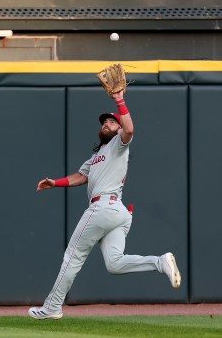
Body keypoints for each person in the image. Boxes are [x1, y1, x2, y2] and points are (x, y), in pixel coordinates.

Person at [29, 90, 182, 320]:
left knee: (73, 256)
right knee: (115, 263)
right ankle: (159, 262)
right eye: (105, 122)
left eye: (112, 122)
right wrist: (56, 183)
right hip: (117, 213)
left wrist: (119, 99)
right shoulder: (98, 154)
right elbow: (81, 176)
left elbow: (129, 129)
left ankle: (52, 307)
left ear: (119, 128)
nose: (107, 124)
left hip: (103, 208)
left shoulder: (119, 145)